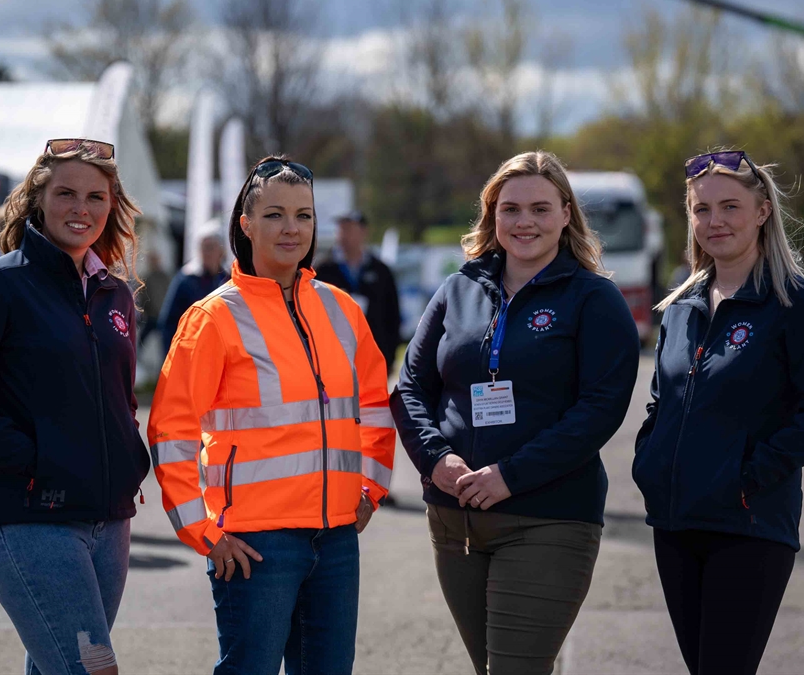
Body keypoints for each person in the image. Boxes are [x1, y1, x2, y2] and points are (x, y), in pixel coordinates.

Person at [391, 151, 640, 675]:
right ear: (492, 215)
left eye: (540, 208)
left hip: (547, 518)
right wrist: (435, 461)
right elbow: (410, 385)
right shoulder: (458, 290)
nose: (525, 221)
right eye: (510, 209)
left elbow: (600, 409)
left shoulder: (594, 300)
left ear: (566, 214)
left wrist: (511, 475)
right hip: (454, 517)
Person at [147, 156, 396, 675]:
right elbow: (171, 431)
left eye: (303, 216)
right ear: (246, 223)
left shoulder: (341, 310)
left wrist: (371, 490)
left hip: (335, 540)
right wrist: (203, 532)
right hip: (255, 546)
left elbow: (374, 404)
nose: (291, 228)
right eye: (275, 215)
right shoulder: (212, 317)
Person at [0, 139, 150, 675]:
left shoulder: (114, 293)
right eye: (66, 193)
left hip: (109, 519)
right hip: (28, 515)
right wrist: (36, 459)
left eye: (97, 197)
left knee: (54, 666)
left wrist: (126, 460)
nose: (82, 208)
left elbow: (119, 397)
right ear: (37, 198)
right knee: (91, 668)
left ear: (111, 206)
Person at [633, 150, 804, 675]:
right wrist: (651, 461)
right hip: (675, 524)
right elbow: (664, 399)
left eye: (730, 206)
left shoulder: (795, 302)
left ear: (762, 212)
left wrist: (749, 477)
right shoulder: (680, 307)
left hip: (748, 526)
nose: (715, 221)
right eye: (701, 209)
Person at [314, 210, 401, 374]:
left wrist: (389, 358)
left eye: (349, 229)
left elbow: (393, 315)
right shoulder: (323, 268)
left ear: (363, 232)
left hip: (373, 355)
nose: (344, 235)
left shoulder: (381, 270)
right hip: (333, 357)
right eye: (341, 229)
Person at [158, 221, 229, 354]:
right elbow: (168, 323)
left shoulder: (228, 279)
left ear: (221, 249)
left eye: (211, 247)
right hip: (192, 352)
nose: (206, 252)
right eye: (203, 247)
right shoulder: (186, 279)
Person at [137, 250, 171, 349]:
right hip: (151, 315)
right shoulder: (146, 277)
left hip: (163, 314)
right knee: (142, 339)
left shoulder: (165, 277)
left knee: (165, 338)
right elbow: (142, 296)